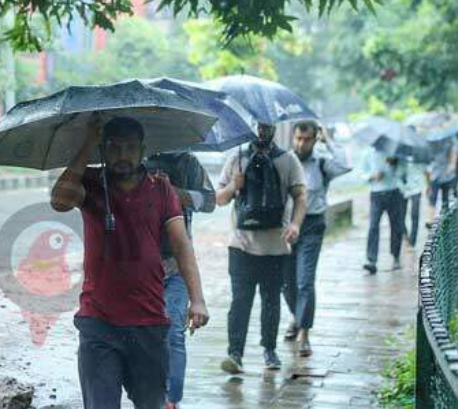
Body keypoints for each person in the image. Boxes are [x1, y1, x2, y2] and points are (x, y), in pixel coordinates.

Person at [51, 116, 210, 409]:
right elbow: (59, 201)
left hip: (147, 321)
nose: (123, 155)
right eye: (113, 147)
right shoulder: (90, 182)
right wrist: (88, 143)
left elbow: (181, 245)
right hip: (98, 323)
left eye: (130, 147)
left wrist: (197, 299)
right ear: (103, 150)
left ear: (143, 150)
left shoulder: (160, 188)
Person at [216, 122, 307, 374]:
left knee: (271, 301)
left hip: (276, 247)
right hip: (240, 246)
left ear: (274, 127)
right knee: (240, 302)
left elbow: (300, 195)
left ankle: (270, 350)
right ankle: (235, 354)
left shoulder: (287, 160)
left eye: (265, 125)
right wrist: (235, 186)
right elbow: (219, 199)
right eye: (257, 124)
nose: (261, 130)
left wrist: (296, 225)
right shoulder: (236, 158)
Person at [142, 151, 216, 409]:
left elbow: (209, 201)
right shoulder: (135, 156)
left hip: (177, 266)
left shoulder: (188, 162)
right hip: (139, 268)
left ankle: (171, 400)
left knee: (173, 332)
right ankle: (149, 395)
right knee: (144, 334)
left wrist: (173, 191)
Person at [282, 121, 349, 358]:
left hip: (312, 225)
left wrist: (328, 139)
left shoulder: (321, 162)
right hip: (286, 227)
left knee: (304, 281)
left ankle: (304, 334)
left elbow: (344, 165)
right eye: (298, 138)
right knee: (286, 282)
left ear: (314, 139)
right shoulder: (286, 161)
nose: (302, 143)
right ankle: (297, 318)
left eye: (307, 139)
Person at [362, 146, 406, 274]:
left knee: (396, 226)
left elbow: (402, 174)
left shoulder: (394, 152)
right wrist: (372, 176)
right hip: (376, 194)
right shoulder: (367, 153)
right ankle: (371, 260)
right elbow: (362, 173)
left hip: (393, 192)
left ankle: (396, 256)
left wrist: (393, 165)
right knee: (373, 226)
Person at [426, 136, 457, 226]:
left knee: (434, 197)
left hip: (436, 173)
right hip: (444, 173)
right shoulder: (449, 139)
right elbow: (453, 156)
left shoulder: (430, 140)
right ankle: (444, 219)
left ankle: (431, 219)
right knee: (444, 198)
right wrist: (452, 166)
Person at [399, 154, 426, 248]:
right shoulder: (399, 156)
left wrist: (428, 185)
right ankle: (405, 236)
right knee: (400, 216)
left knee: (415, 215)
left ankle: (412, 242)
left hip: (416, 188)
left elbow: (426, 170)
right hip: (402, 189)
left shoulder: (419, 155)